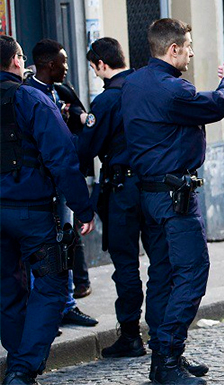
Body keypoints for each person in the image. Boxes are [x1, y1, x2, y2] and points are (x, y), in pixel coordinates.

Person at [122, 18, 224, 385]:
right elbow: (219, 105)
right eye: (187, 46)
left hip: (150, 194)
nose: (191, 52)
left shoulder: (134, 82)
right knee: (192, 272)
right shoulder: (172, 90)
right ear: (173, 50)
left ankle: (165, 355)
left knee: (163, 275)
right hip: (175, 198)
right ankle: (167, 359)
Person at [0, 35, 95, 385]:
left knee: (6, 289)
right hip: (33, 213)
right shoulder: (31, 98)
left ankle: (18, 363)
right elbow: (62, 158)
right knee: (52, 285)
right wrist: (83, 208)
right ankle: (22, 369)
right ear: (16, 60)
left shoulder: (32, 97)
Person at [76, 37, 148, 359]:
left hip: (122, 190)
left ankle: (131, 336)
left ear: (102, 64)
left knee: (126, 263)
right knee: (161, 264)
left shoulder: (106, 100)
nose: (95, 73)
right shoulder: (144, 87)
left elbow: (86, 148)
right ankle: (164, 336)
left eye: (94, 68)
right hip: (153, 185)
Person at [26, 39, 98, 327]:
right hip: (39, 187)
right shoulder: (27, 94)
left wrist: (75, 116)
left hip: (63, 183)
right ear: (50, 64)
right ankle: (45, 314)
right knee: (42, 253)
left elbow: (79, 123)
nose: (67, 67)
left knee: (66, 243)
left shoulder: (61, 91)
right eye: (64, 61)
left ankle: (67, 305)